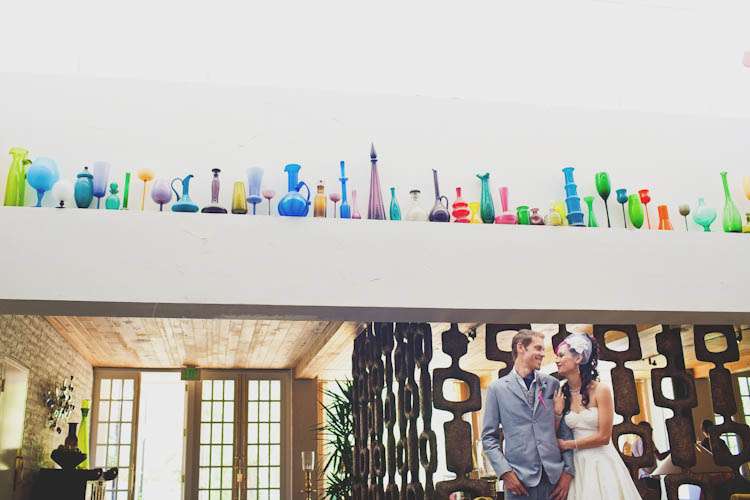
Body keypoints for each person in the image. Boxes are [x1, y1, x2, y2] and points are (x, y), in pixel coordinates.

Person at [481, 329, 575, 500]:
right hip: (518, 482)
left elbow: (564, 430)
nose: (543, 354)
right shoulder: (497, 389)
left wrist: (568, 473)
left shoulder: (552, 384)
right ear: (520, 348)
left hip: (554, 481)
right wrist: (505, 473)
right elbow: (489, 438)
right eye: (538, 348)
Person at [553, 333, 641, 499]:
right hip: (576, 465)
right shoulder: (560, 392)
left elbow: (604, 437)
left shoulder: (601, 390)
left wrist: (568, 444)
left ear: (578, 358)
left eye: (561, 355)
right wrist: (557, 413)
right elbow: (555, 431)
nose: (557, 360)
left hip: (601, 461)